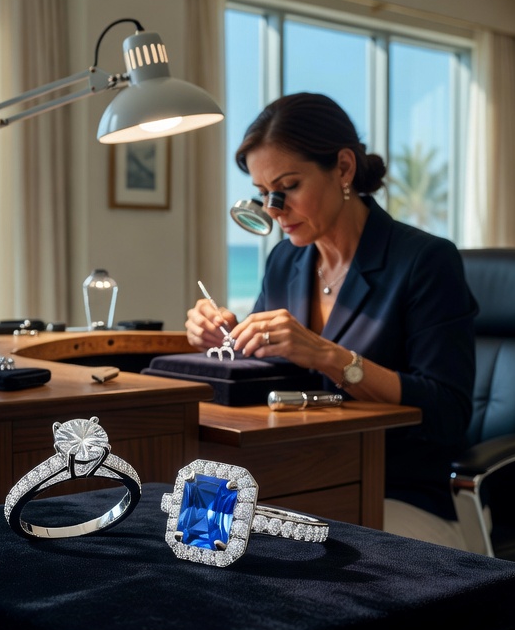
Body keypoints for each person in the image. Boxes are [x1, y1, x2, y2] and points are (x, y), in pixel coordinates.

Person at [185, 92, 478, 550]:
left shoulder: (425, 261)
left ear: (343, 168)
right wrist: (224, 336)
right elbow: (269, 372)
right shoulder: (285, 261)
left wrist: (327, 355)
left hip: (391, 487)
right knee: (193, 529)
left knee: (257, 549)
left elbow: (448, 413)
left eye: (288, 186)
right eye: (263, 194)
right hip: (297, 472)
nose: (274, 209)